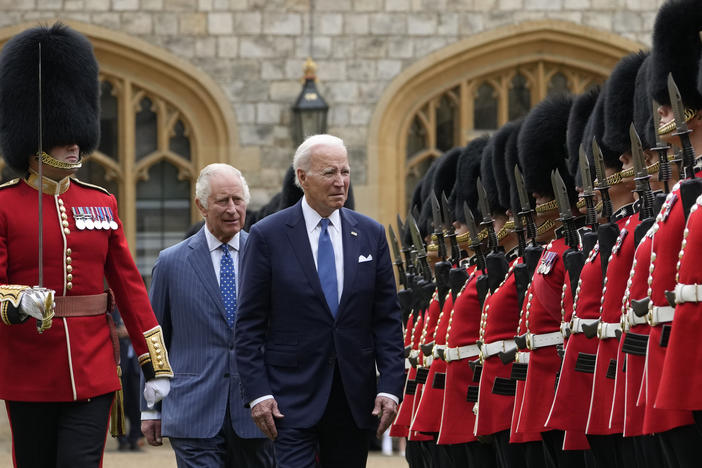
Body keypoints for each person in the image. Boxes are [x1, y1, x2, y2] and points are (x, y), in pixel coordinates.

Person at [0, 23, 173, 467]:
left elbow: (131, 289)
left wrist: (155, 363)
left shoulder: (100, 203)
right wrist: (19, 301)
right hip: (29, 368)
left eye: (78, 134)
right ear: (35, 138)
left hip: (94, 368)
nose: (75, 144)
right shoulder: (5, 204)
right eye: (63, 136)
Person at [235, 134, 405, 468]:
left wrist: (390, 387)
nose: (341, 182)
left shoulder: (370, 234)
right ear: (302, 178)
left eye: (345, 172)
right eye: (329, 173)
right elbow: (249, 325)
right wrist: (258, 393)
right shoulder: (268, 236)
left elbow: (386, 320)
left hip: (354, 400)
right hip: (289, 400)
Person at [142, 163, 276, 467]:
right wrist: (150, 408)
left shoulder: (268, 256)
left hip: (256, 410)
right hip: (193, 410)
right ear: (201, 205)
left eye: (238, 200)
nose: (232, 209)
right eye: (222, 201)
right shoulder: (171, 263)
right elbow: (154, 340)